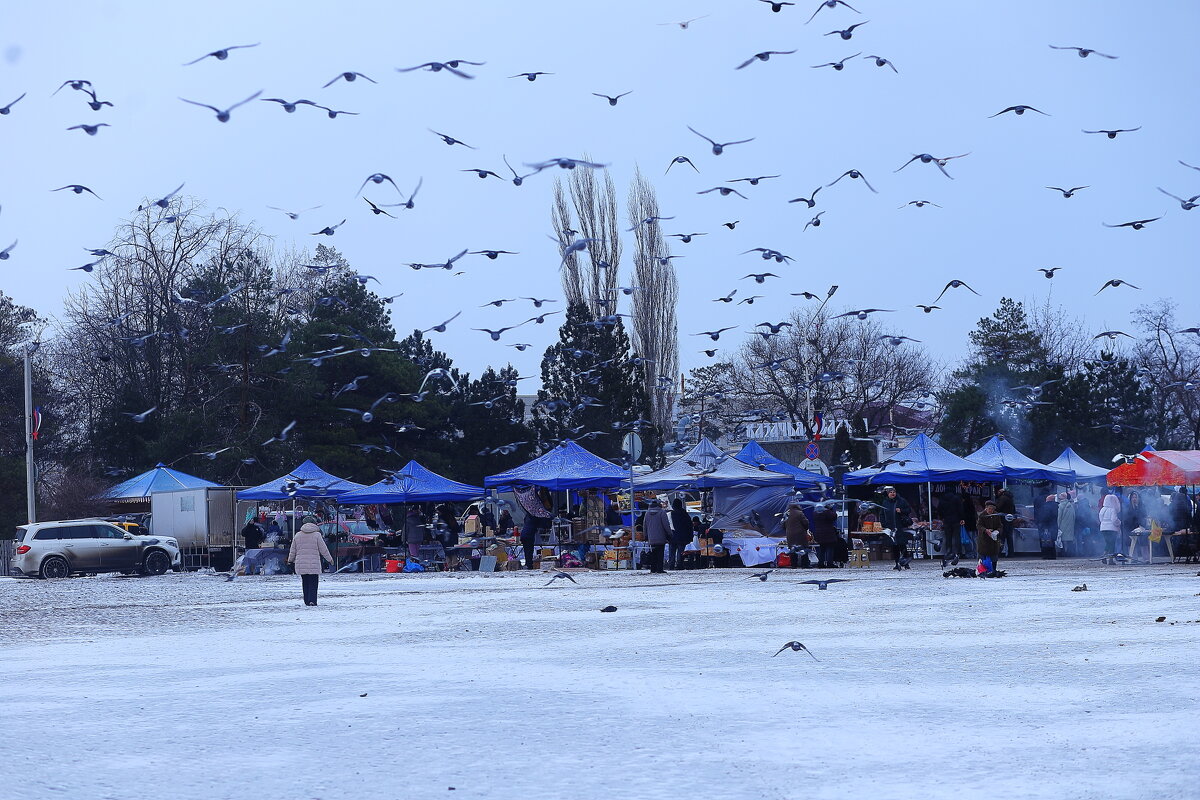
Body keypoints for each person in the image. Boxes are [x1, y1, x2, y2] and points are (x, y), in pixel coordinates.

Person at [287, 516, 333, 606]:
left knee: (305, 582)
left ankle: (307, 600)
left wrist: (290, 560)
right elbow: (323, 549)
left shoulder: (298, 535)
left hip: (301, 563)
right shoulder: (317, 535)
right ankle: (312, 600)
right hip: (314, 564)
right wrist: (330, 559)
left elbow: (293, 550)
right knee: (313, 583)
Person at [878, 486, 912, 567]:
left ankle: (906, 563)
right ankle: (897, 563)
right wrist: (884, 525)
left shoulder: (901, 501)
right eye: (890, 492)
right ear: (888, 494)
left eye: (893, 492)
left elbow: (908, 510)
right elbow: (882, 514)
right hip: (890, 528)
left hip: (900, 527)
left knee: (902, 545)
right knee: (894, 546)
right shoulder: (885, 502)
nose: (892, 493)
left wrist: (901, 511)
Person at [977, 499, 1005, 576]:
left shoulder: (996, 515)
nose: (991, 510)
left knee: (994, 555)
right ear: (986, 508)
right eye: (989, 509)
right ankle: (982, 571)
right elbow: (979, 525)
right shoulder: (982, 515)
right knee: (983, 555)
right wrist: (986, 530)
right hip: (984, 539)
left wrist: (997, 531)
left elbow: (1000, 526)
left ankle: (993, 570)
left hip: (994, 539)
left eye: (992, 509)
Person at [643, 499, 671, 574]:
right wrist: (669, 533)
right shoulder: (662, 512)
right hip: (661, 537)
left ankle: (653, 569)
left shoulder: (647, 513)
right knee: (660, 553)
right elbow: (666, 525)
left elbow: (644, 525)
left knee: (653, 553)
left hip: (651, 537)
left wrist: (645, 535)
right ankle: (659, 568)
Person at [938, 487, 964, 567]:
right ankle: (958, 552)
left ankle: (948, 551)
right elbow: (960, 509)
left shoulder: (942, 499)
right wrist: (961, 518)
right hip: (956, 520)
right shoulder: (956, 498)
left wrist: (942, 517)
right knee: (957, 537)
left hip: (946, 520)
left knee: (948, 537)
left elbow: (939, 509)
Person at [810, 503, 839, 568]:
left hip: (819, 533)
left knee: (822, 548)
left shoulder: (815, 512)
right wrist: (831, 509)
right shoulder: (827, 512)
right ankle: (829, 563)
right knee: (830, 548)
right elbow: (834, 516)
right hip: (828, 532)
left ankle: (821, 563)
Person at [784, 502, 810, 569]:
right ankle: (804, 564)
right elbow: (805, 523)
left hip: (790, 534)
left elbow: (783, 524)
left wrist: (788, 530)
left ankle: (793, 564)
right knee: (803, 548)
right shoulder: (800, 513)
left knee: (793, 549)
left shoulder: (787, 513)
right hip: (800, 534)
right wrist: (806, 528)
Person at [1123, 491, 1147, 562]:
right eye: (1133, 497)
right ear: (1130, 498)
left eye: (1136, 497)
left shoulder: (1142, 507)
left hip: (1140, 527)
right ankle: (1133, 558)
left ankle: (1146, 558)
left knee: (1143, 542)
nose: (1134, 499)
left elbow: (1144, 516)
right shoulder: (1128, 507)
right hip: (1130, 527)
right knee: (1131, 543)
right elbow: (1126, 518)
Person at [669, 497, 692, 570]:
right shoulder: (684, 514)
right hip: (683, 537)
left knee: (672, 552)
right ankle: (679, 564)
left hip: (672, 536)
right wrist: (690, 537)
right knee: (681, 552)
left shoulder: (671, 514)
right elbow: (689, 526)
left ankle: (671, 565)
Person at [1098, 492, 1122, 561]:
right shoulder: (1112, 510)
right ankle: (1110, 560)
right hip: (1112, 529)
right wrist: (1119, 523)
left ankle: (1104, 556)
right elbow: (1114, 520)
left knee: (1108, 543)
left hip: (1103, 528)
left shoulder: (1103, 509)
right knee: (1112, 544)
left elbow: (1100, 519)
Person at [995, 488, 1016, 556]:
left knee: (1002, 536)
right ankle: (1011, 553)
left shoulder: (1002, 498)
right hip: (1010, 519)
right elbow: (1014, 510)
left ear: (1002, 492)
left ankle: (999, 552)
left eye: (999, 491)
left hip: (1003, 519)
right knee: (1009, 537)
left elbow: (998, 508)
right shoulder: (1010, 499)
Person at [1057, 492, 1077, 556]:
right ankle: (1070, 553)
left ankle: (1063, 553)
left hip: (1063, 525)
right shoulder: (1071, 505)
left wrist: (1057, 526)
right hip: (1071, 525)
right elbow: (1074, 516)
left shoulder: (1061, 506)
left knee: (1063, 540)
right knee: (1069, 540)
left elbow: (1059, 517)